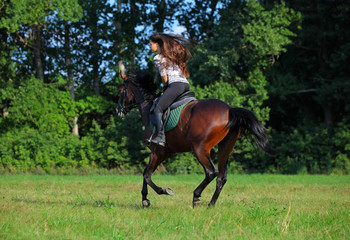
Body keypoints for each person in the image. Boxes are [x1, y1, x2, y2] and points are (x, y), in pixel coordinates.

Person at [148, 32, 192, 147]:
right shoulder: (170, 56)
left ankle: (161, 137)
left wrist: (165, 86)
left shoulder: (158, 58)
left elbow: (164, 77)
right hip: (185, 85)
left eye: (150, 44)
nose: (149, 46)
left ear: (156, 45)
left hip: (175, 85)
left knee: (157, 108)